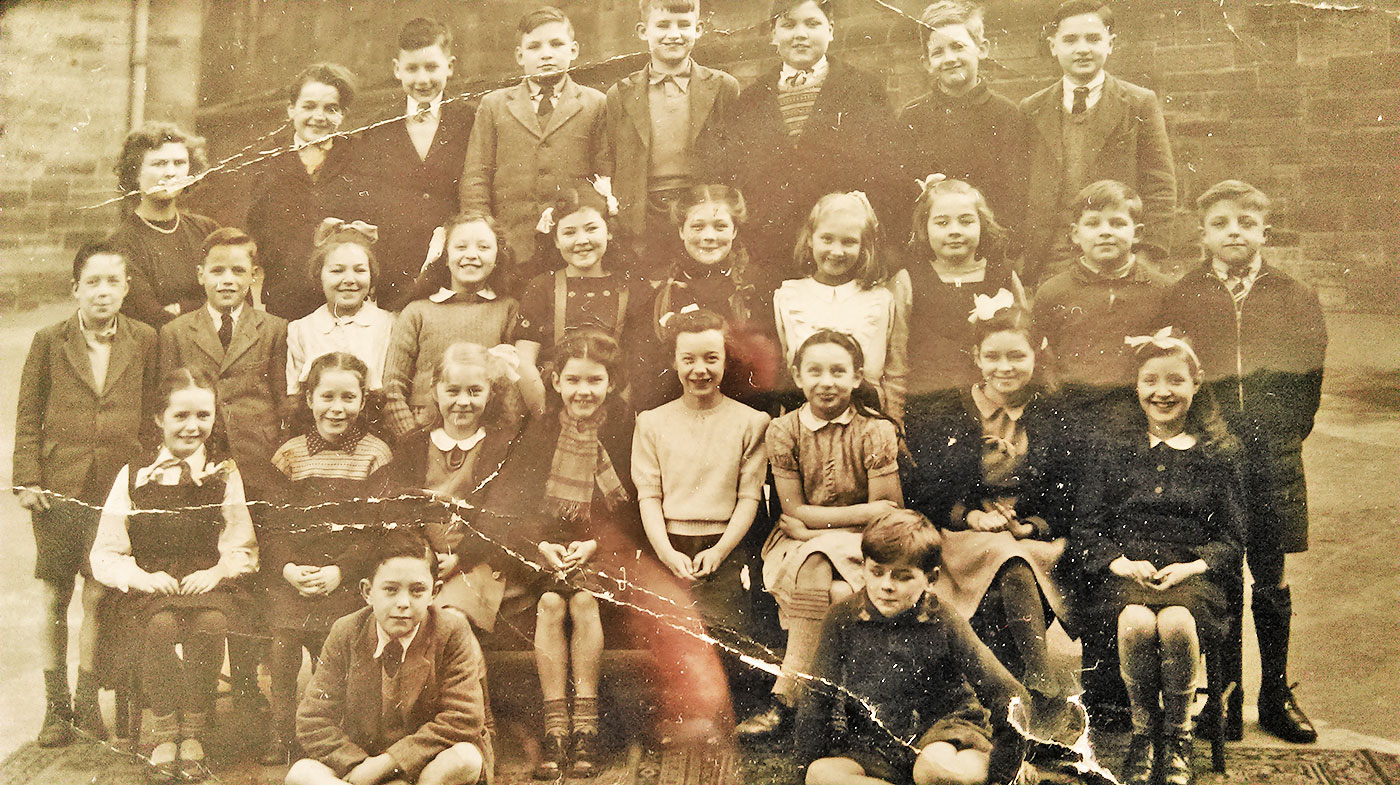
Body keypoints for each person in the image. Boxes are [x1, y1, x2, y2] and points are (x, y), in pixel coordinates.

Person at [1157, 179, 1327, 744]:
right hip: (1211, 458)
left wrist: (1279, 437)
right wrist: (1208, 436)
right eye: (1223, 223)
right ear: (1203, 234)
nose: (1235, 232)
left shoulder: (1294, 295)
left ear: (1264, 232)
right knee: (1221, 576)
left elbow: (1307, 380)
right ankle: (1222, 700)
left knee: (1271, 579)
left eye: (1247, 223)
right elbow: (1177, 372)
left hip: (1272, 459)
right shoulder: (1183, 295)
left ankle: (1274, 696)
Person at [1073, 331, 1244, 784]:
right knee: (1134, 621)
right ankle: (1144, 734)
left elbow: (1232, 538)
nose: (1162, 392)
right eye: (1150, 380)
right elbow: (1087, 529)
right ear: (1136, 387)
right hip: (1128, 574)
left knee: (1174, 623)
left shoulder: (1218, 454)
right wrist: (1121, 564)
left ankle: (1179, 735)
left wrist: (1192, 566)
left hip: (1192, 577)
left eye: (1175, 381)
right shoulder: (1112, 448)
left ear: (1196, 384)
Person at [1032, 179, 1170, 729]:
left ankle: (1126, 688)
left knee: (1122, 545)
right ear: (1075, 235)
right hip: (1071, 438)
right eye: (1093, 223)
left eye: (1117, 223)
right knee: (1080, 552)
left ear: (1137, 230)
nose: (1106, 232)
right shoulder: (1053, 290)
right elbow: (1039, 363)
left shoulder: (1158, 289)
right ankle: (1093, 685)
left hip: (1131, 440)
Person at [901, 296, 1073, 736]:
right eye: (992, 356)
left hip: (1028, 533)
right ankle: (1043, 686)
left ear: (1037, 354)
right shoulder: (947, 411)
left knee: (1014, 561)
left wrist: (1031, 526)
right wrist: (970, 515)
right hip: (965, 533)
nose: (1005, 367)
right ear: (977, 359)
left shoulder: (1052, 412)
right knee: (1008, 560)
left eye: (1017, 355)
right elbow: (925, 487)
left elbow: (1067, 488)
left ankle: (1004, 698)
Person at [14, 244, 159, 746]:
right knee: (56, 594)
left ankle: (86, 701)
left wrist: (141, 478)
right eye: (92, 282)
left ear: (125, 288)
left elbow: (150, 412)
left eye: (112, 282)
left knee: (99, 592)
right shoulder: (49, 340)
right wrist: (27, 478)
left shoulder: (144, 339)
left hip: (114, 489)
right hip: (58, 487)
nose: (102, 291)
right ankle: (54, 708)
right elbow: (28, 415)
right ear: (75, 288)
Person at [90, 368, 258, 784]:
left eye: (203, 415)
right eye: (180, 416)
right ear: (159, 419)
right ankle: (166, 728)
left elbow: (242, 543)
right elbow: (106, 549)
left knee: (213, 623)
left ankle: (195, 727)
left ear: (215, 417)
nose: (192, 426)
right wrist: (142, 577)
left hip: (205, 582)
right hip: (149, 585)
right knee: (161, 625)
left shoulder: (223, 471)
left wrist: (218, 571)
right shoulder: (134, 473)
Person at [737, 330, 901, 741]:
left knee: (822, 564)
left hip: (861, 542)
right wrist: (824, 522)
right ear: (797, 375)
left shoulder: (875, 430)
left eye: (838, 371)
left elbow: (888, 510)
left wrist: (817, 523)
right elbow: (791, 510)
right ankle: (843, 704)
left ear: (857, 376)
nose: (826, 381)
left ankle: (787, 697)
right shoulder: (784, 430)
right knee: (837, 591)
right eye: (815, 371)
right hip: (796, 541)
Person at [487, 331, 637, 778]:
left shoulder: (626, 427)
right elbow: (509, 504)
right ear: (555, 382)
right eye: (572, 380)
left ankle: (586, 728)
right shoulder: (539, 431)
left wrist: (597, 545)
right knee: (552, 604)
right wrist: (540, 547)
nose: (583, 391)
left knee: (586, 601)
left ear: (611, 383)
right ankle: (557, 729)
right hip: (547, 553)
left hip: (606, 549)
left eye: (595, 380)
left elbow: (638, 505)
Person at [795, 510, 1034, 785]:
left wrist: (1004, 769)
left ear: (931, 578)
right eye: (876, 572)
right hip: (877, 746)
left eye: (903, 577)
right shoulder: (843, 617)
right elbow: (816, 695)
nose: (886, 586)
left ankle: (997, 769)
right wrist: (807, 766)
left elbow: (1011, 694)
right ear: (863, 567)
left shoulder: (943, 619)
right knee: (821, 775)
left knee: (932, 770)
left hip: (944, 738)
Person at [631, 309, 770, 729]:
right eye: (688, 359)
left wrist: (721, 550)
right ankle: (680, 714)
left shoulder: (751, 422)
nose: (700, 370)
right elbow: (649, 496)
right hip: (668, 543)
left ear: (725, 360)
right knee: (669, 630)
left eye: (711, 358)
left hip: (725, 544)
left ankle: (725, 716)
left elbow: (749, 497)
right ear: (674, 361)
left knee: (727, 630)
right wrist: (668, 553)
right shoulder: (651, 422)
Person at [260, 352, 394, 765]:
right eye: (327, 397)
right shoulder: (290, 455)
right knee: (283, 637)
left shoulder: (375, 454)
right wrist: (288, 570)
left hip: (346, 576)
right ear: (310, 400)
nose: (338, 408)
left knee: (338, 641)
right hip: (296, 575)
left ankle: (327, 730)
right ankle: (282, 727)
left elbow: (375, 530)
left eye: (348, 398)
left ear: (363, 401)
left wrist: (340, 571)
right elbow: (272, 526)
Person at [287, 533, 490, 785]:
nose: (403, 603)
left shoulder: (450, 630)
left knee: (466, 759)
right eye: (390, 590)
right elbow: (313, 720)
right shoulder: (346, 631)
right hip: (363, 760)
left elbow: (463, 717)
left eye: (417, 591)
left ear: (434, 593)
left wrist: (389, 764)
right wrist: (359, 765)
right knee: (301, 773)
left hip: (427, 764)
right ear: (367, 592)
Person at [727, 0, 901, 292]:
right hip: (774, 252)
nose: (800, 34)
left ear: (831, 30)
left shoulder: (863, 88)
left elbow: (888, 171)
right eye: (788, 24)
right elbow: (742, 177)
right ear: (773, 34)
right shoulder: (751, 100)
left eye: (812, 23)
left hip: (842, 252)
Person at [1019, 0, 1176, 285]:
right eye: (1070, 40)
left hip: (1116, 251)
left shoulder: (1138, 103)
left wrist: (1147, 253)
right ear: (1053, 46)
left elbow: (1160, 183)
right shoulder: (1032, 108)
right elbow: (1018, 185)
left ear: (1110, 43)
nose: (1082, 49)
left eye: (1093, 39)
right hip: (1050, 255)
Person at [389, 342, 522, 637]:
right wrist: (423, 556)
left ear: (490, 393)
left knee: (448, 621)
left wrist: (462, 556)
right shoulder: (414, 444)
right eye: (453, 391)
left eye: (474, 391)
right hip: (420, 559)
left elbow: (499, 514)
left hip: (475, 562)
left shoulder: (501, 445)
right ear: (435, 391)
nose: (463, 401)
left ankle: (468, 684)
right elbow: (399, 508)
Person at [460, 6, 606, 264]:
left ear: (573, 50)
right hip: (513, 246)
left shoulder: (596, 104)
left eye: (556, 44)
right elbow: (476, 177)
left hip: (574, 247)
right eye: (535, 47)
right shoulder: (494, 105)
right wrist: (484, 233)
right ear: (519, 55)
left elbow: (604, 173)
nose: (546, 54)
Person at [603, 0, 740, 275]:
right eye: (663, 25)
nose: (674, 34)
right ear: (643, 31)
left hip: (701, 211)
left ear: (699, 29)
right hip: (645, 211)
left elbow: (737, 157)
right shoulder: (620, 94)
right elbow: (612, 159)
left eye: (684, 25)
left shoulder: (723, 87)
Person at [351, 17, 474, 309]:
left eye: (431, 67)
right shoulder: (376, 128)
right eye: (412, 68)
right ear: (397, 69)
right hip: (395, 269)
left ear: (450, 66)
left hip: (455, 264)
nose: (422, 80)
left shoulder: (471, 120)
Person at [158, 227, 290, 474]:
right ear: (201, 275)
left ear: (253, 275)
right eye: (217, 271)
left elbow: (282, 401)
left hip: (259, 453)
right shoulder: (175, 332)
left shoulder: (275, 329)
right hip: (197, 452)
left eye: (238, 271)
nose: (227, 280)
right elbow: (165, 403)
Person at [384, 212, 528, 438]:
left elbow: (516, 385)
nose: (471, 255)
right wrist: (410, 437)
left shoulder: (508, 309)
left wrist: (499, 438)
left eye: (483, 247)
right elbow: (393, 385)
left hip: (487, 434)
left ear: (498, 256)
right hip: (421, 430)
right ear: (445, 255)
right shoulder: (417, 311)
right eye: (461, 247)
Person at [639, 184, 781, 412]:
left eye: (720, 226)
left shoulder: (754, 287)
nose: (709, 237)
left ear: (734, 231)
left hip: (743, 408)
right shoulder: (662, 289)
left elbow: (765, 364)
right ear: (681, 231)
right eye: (697, 227)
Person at [898, 1, 1027, 243]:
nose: (949, 58)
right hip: (930, 247)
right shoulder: (912, 116)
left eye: (958, 47)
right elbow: (901, 189)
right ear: (926, 62)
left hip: (990, 247)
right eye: (938, 52)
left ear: (982, 49)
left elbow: (1016, 198)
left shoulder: (1006, 115)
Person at [773, 191, 909, 421]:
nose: (837, 251)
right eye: (827, 239)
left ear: (863, 245)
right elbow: (782, 374)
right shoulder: (787, 296)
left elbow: (895, 373)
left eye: (849, 242)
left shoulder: (881, 298)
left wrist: (895, 424)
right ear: (809, 239)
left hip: (869, 423)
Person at [246, 63, 363, 320]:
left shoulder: (357, 154)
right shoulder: (268, 158)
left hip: (345, 292)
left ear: (342, 114)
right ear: (291, 109)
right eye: (309, 106)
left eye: (330, 108)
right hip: (287, 294)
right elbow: (257, 225)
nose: (318, 117)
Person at [903, 177, 1026, 404]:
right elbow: (896, 356)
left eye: (966, 221)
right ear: (924, 227)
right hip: (929, 401)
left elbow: (1025, 337)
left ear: (982, 225)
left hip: (991, 402)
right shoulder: (909, 279)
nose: (954, 231)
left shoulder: (1002, 275)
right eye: (942, 223)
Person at [514, 184, 651, 372]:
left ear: (609, 231)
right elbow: (524, 362)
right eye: (569, 232)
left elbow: (640, 365)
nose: (582, 240)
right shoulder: (542, 286)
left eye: (591, 229)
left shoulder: (629, 288)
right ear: (556, 240)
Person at [285, 219, 395, 427]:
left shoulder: (388, 324)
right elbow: (294, 396)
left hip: (377, 427)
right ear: (319, 276)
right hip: (317, 428)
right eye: (337, 271)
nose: (350, 279)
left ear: (372, 276)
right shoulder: (302, 329)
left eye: (360, 270)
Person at [108, 122, 219, 328]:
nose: (171, 172)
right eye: (159, 164)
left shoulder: (207, 231)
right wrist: (204, 306)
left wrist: (181, 309)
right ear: (135, 173)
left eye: (179, 163)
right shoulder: (122, 245)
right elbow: (151, 318)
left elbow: (239, 300)